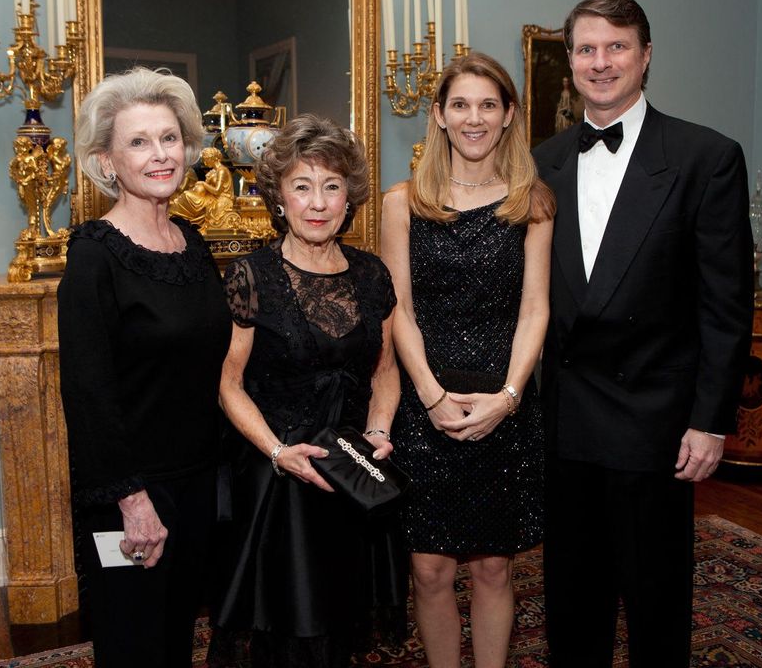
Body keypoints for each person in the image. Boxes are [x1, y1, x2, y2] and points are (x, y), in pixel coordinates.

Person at [533, 0, 754, 667]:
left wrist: (710, 419)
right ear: (569, 62)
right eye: (586, 49)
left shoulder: (705, 157)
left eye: (616, 47)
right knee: (572, 600)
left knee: (655, 601)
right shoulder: (541, 162)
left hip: (655, 420)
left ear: (646, 55)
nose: (601, 63)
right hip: (565, 418)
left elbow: (726, 302)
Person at [208, 114, 404, 668]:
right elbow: (228, 384)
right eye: (302, 186)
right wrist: (278, 453)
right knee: (289, 625)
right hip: (281, 477)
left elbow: (384, 370)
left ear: (348, 198)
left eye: (331, 186)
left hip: (352, 469)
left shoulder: (371, 275)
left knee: (342, 615)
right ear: (279, 198)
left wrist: (378, 432)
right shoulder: (252, 275)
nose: (317, 202)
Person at [381, 52, 555, 668]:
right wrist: (427, 395)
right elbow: (397, 309)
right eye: (460, 104)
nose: (473, 118)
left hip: (501, 404)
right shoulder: (401, 203)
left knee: (492, 567)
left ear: (508, 116)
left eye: (488, 104)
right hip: (425, 404)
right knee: (427, 569)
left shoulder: (531, 203)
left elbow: (535, 309)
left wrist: (507, 398)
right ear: (438, 115)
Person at [58, 67, 231, 667]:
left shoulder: (191, 241)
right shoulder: (92, 257)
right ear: (107, 162)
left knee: (179, 634)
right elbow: (88, 394)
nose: (160, 155)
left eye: (169, 138)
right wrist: (132, 501)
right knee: (134, 644)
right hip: (132, 491)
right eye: (138, 142)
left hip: (198, 480)